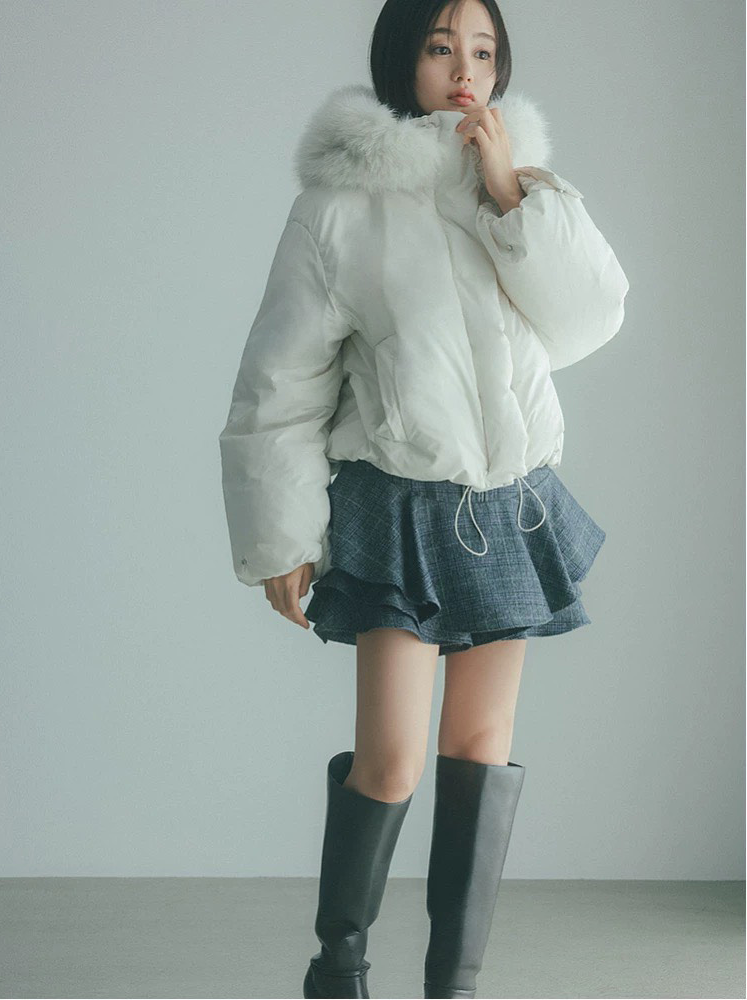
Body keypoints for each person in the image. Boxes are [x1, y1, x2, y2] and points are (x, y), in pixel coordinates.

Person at [218, 0, 630, 996]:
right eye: (442, 46)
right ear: (402, 55)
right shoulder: (341, 205)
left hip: (509, 509)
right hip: (397, 509)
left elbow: (589, 317)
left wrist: (510, 193)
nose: (464, 69)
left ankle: (454, 985)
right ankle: (340, 969)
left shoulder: (517, 190)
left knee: (480, 752)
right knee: (393, 761)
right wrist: (280, 532)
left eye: (483, 50)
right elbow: (282, 382)